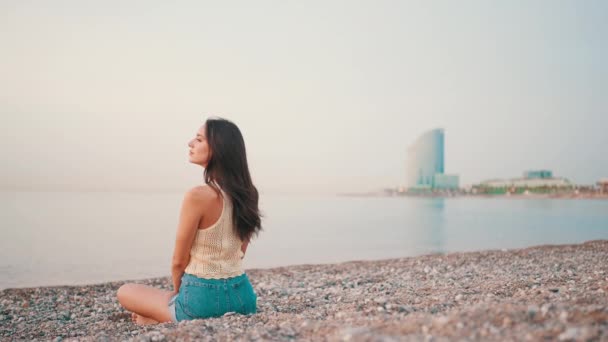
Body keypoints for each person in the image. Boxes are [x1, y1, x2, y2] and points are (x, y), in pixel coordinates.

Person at [117, 117, 262, 325]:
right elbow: (239, 253)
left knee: (125, 291)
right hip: (244, 299)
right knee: (157, 301)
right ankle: (159, 316)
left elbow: (178, 261)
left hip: (202, 300)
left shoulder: (197, 196)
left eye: (199, 139)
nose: (190, 143)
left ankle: (165, 316)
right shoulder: (249, 194)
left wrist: (180, 296)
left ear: (218, 149)